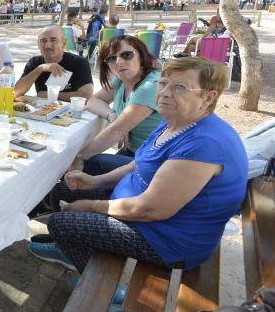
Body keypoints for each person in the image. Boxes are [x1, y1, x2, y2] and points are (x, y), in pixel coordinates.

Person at [28, 58, 247, 274]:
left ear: (208, 97)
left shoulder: (205, 144)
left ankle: (106, 291)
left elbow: (149, 209)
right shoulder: (175, 120)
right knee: (61, 191)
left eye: (180, 87)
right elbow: (139, 163)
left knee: (60, 223)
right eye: (163, 83)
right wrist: (97, 181)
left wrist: (91, 206)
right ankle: (69, 245)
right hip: (142, 211)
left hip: (165, 239)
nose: (166, 93)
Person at [73, 35, 163, 175]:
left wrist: (79, 158)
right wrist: (113, 116)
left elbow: (115, 132)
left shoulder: (149, 86)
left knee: (89, 164)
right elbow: (93, 101)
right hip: (133, 151)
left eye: (127, 55)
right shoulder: (122, 79)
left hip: (155, 161)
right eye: (111, 59)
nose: (119, 62)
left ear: (141, 55)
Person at [14, 24, 94, 101]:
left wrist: (50, 95)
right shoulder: (34, 62)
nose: (48, 45)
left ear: (64, 43)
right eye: (43, 41)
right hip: (43, 111)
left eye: (53, 40)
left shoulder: (79, 62)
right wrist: (40, 69)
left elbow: (87, 95)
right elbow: (16, 92)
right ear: (38, 44)